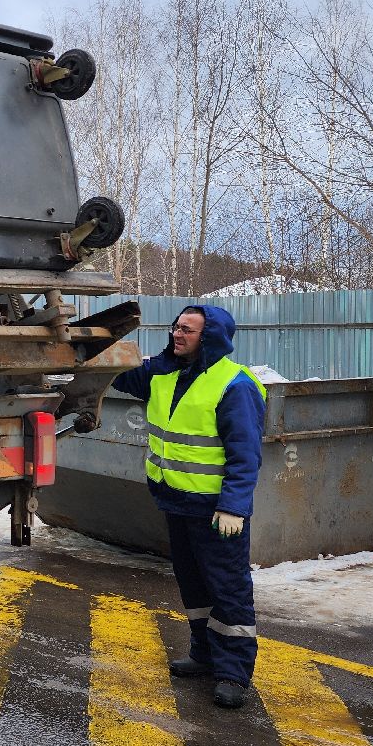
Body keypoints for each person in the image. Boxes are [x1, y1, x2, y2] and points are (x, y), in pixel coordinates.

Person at [111, 304, 267, 709]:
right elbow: (120, 374)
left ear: (210, 337)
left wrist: (234, 506)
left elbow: (244, 455)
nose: (178, 335)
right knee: (194, 585)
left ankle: (233, 671)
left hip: (217, 511)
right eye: (176, 327)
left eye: (188, 330)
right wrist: (98, 343)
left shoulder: (235, 385)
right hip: (176, 501)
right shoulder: (164, 371)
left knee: (227, 588)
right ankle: (204, 654)